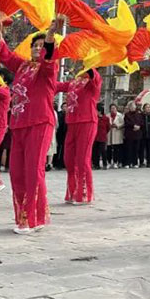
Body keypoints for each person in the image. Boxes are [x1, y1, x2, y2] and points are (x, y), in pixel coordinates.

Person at [0, 13, 62, 234]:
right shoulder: (23, 67)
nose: (37, 48)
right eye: (35, 45)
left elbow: (48, 57)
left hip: (40, 122)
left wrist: (50, 34)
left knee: (33, 171)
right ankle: (27, 216)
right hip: (19, 124)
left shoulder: (48, 69)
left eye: (42, 46)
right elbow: (5, 55)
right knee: (17, 173)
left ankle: (31, 219)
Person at [54, 65, 102, 205]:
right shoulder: (73, 83)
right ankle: (73, 191)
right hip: (72, 123)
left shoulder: (93, 82)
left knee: (82, 159)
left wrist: (90, 65)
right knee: (68, 159)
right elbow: (56, 85)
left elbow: (94, 77)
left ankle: (84, 194)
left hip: (87, 122)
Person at [123, 101, 144, 169]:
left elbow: (142, 122)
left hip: (137, 134)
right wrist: (133, 126)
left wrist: (139, 126)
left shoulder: (139, 114)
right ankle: (128, 163)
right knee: (129, 149)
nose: (132, 108)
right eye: (131, 106)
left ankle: (135, 163)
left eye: (133, 106)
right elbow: (127, 123)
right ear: (129, 107)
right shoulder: (127, 115)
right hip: (129, 134)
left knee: (136, 149)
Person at [107, 104, 124, 169]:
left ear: (116, 108)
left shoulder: (120, 115)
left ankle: (115, 162)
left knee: (116, 149)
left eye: (114, 108)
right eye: (111, 108)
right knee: (109, 149)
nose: (113, 109)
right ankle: (109, 162)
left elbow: (123, 123)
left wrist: (117, 125)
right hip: (109, 133)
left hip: (117, 133)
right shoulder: (107, 115)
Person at [94, 105, 109, 170]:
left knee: (103, 151)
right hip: (95, 136)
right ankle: (96, 164)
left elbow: (108, 127)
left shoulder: (106, 118)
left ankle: (105, 164)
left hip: (102, 136)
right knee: (96, 151)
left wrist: (104, 133)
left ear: (100, 111)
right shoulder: (95, 117)